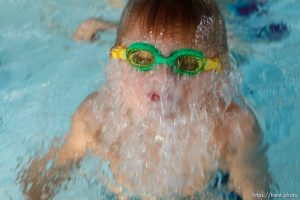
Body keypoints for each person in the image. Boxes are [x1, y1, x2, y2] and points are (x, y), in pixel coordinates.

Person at [20, 0, 271, 199]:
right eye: (142, 58)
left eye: (188, 63)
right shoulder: (95, 121)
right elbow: (45, 180)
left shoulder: (233, 129)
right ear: (117, 63)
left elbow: (256, 193)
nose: (163, 76)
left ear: (219, 73)